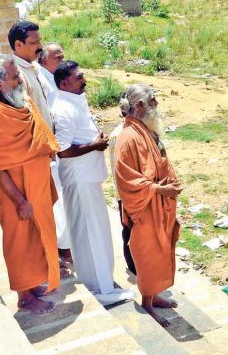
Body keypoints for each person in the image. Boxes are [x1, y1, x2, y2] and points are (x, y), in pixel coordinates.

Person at [0, 54, 60, 314]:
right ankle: (24, 296)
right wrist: (20, 201)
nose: (20, 79)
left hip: (35, 183)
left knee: (36, 236)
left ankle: (34, 283)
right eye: (14, 77)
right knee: (20, 241)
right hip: (12, 192)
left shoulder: (18, 101)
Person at [52, 61, 134, 305]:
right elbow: (62, 150)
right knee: (92, 235)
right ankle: (102, 289)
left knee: (92, 233)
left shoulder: (75, 100)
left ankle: (100, 284)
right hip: (80, 180)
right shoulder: (64, 109)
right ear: (65, 82)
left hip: (87, 178)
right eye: (79, 77)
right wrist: (95, 146)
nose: (84, 79)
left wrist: (95, 140)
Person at [114, 84, 183, 326]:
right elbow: (126, 178)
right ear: (140, 105)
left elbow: (160, 161)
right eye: (152, 100)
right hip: (144, 206)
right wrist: (159, 189)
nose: (157, 104)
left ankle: (154, 297)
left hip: (159, 204)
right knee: (148, 256)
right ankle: (147, 303)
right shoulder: (128, 136)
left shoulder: (146, 130)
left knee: (162, 250)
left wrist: (171, 181)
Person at [7, 22, 71, 276]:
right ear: (18, 45)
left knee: (54, 205)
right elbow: (24, 115)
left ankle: (58, 251)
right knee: (43, 208)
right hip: (36, 152)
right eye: (33, 43)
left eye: (39, 41)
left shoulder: (33, 68)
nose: (39, 47)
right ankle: (48, 258)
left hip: (47, 147)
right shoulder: (16, 73)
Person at [37, 42, 72, 266]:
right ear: (44, 60)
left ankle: (66, 244)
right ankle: (63, 247)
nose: (61, 59)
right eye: (56, 57)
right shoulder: (41, 78)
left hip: (60, 144)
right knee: (58, 201)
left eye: (62, 56)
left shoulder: (55, 77)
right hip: (52, 148)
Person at [107, 94, 135, 274]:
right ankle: (135, 270)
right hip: (128, 195)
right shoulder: (120, 135)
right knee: (131, 232)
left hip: (137, 193)